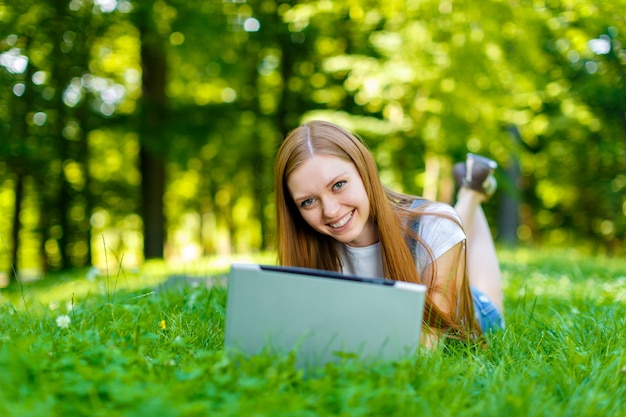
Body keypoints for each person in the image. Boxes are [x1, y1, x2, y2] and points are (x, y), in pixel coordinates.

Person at [274, 120, 505, 346]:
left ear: (364, 172)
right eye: (309, 201)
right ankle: (474, 185)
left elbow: (427, 346)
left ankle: (471, 192)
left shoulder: (437, 225)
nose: (331, 211)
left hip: (472, 312)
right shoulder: (308, 250)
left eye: (338, 185)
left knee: (446, 225)